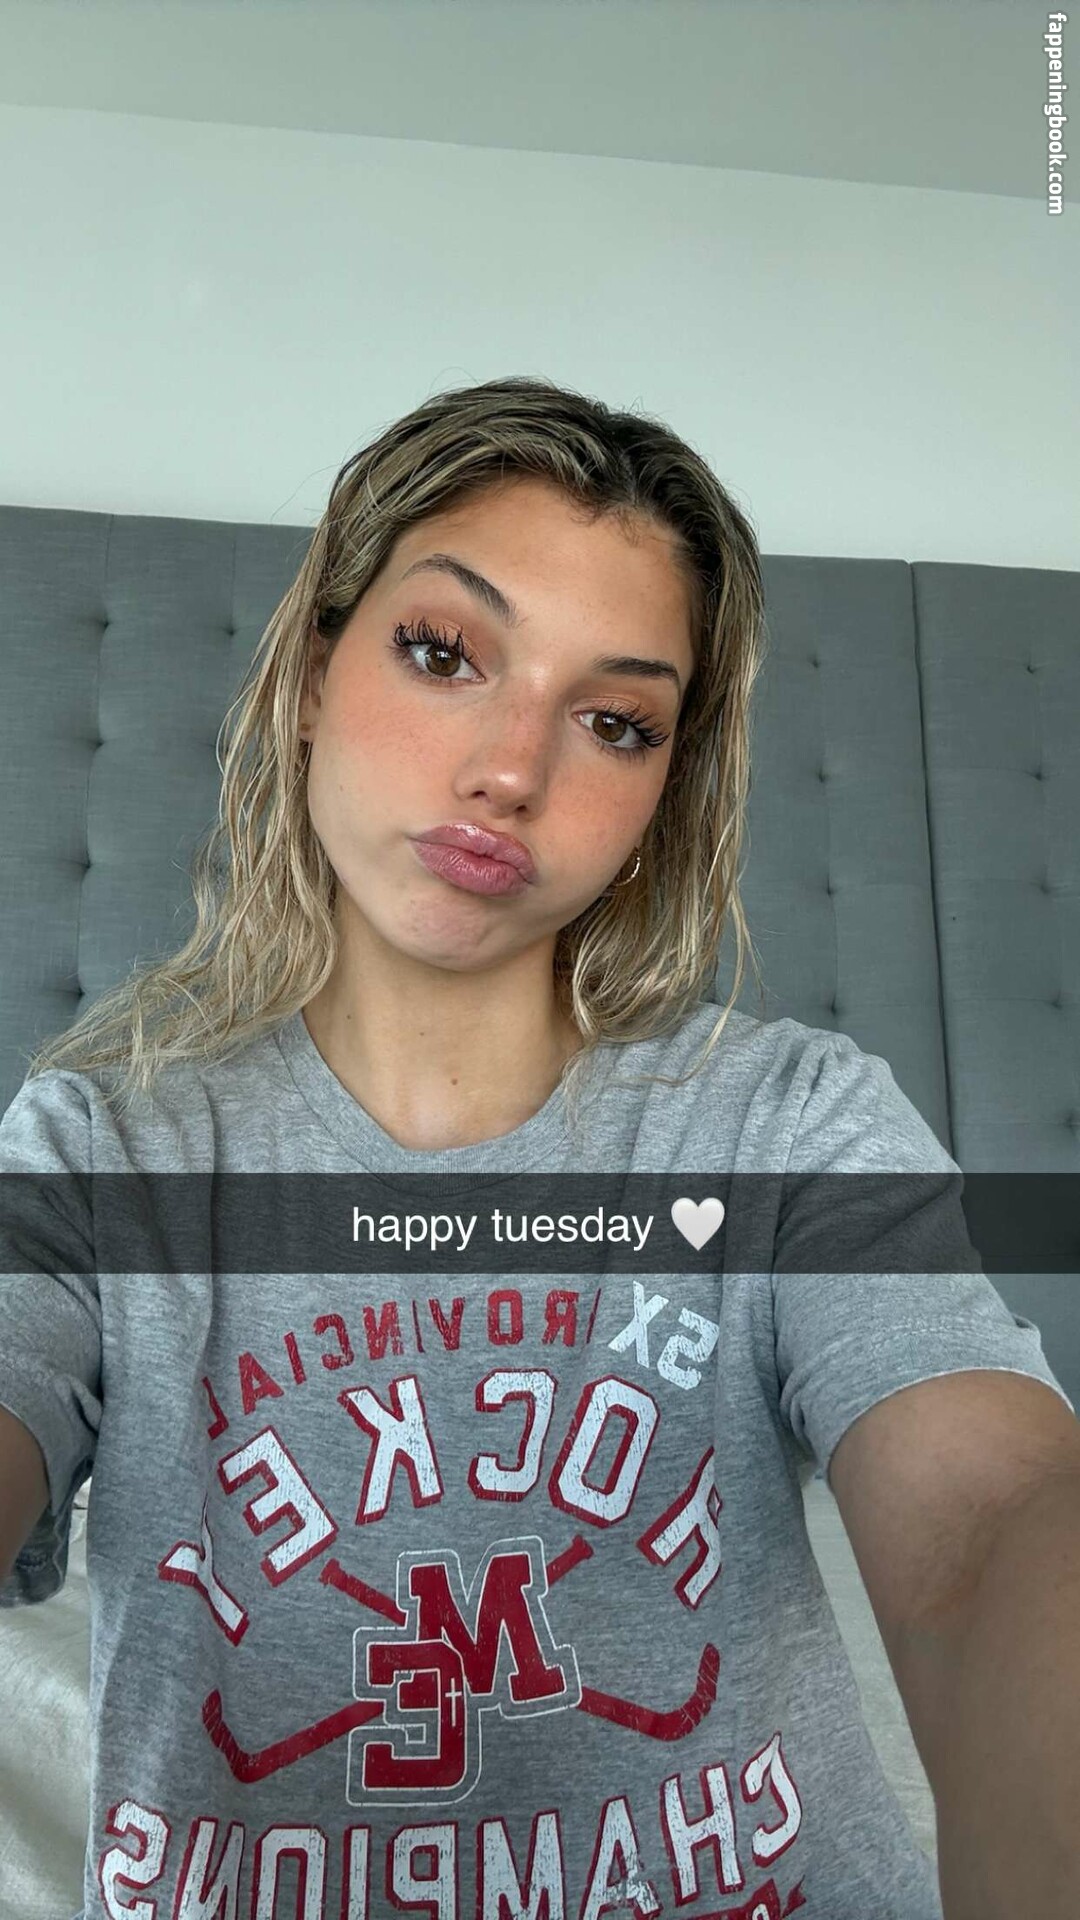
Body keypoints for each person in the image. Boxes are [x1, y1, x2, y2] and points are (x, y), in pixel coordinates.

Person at [0, 375, 1071, 1920]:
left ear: (659, 796)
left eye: (614, 721)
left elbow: (986, 1522)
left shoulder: (786, 1123)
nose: (513, 769)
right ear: (311, 673)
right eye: (444, 652)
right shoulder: (99, 1150)